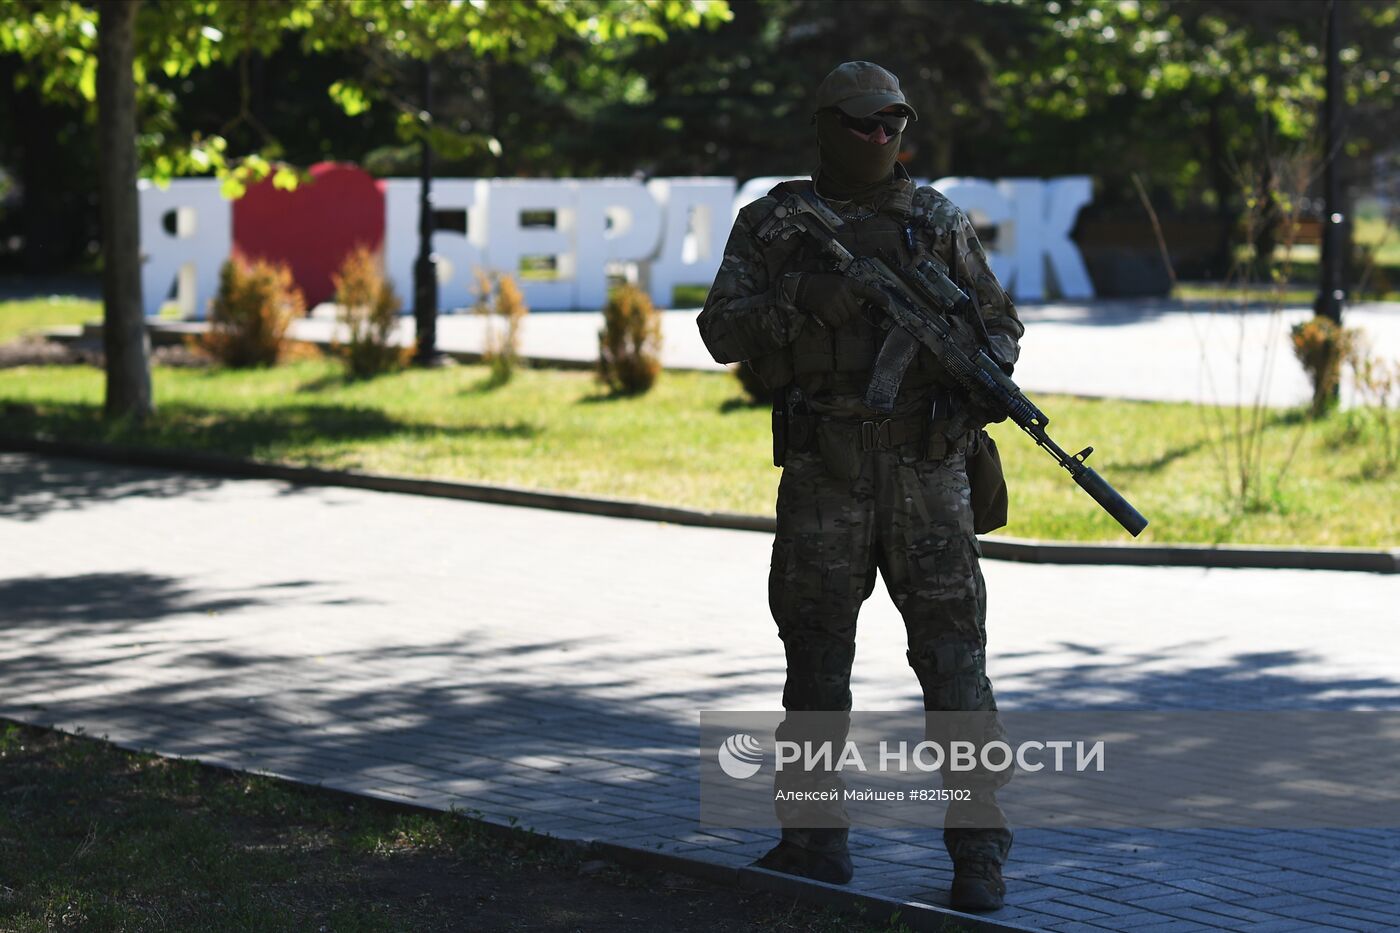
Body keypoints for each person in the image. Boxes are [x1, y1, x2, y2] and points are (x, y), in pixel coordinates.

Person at [696, 61, 1023, 912]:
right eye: (863, 123)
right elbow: (720, 330)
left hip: (927, 472)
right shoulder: (774, 224)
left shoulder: (936, 220)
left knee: (956, 665)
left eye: (894, 123)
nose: (880, 138)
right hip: (824, 471)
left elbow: (999, 327)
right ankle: (812, 842)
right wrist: (806, 299)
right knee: (814, 661)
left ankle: (979, 854)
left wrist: (972, 378)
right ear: (825, 124)